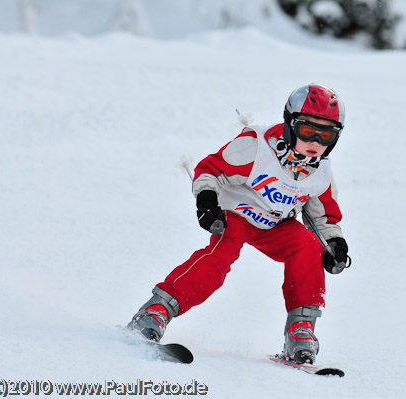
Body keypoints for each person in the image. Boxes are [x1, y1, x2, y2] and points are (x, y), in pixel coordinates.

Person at [127, 83, 351, 364]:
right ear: (290, 125)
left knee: (306, 245)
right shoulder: (255, 149)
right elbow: (210, 170)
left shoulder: (321, 174)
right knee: (221, 255)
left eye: (326, 134)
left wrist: (333, 244)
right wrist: (207, 200)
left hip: (275, 225)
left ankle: (301, 330)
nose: (316, 142)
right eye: (308, 131)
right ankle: (156, 311)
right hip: (236, 215)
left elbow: (323, 217)